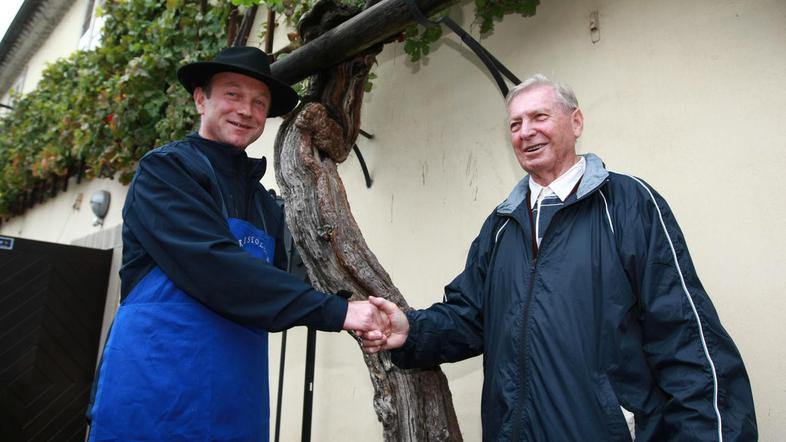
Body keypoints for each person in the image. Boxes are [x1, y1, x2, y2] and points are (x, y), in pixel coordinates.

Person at [363, 75, 757, 441]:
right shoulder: (501, 225)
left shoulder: (627, 204)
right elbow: (469, 316)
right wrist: (411, 331)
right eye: (515, 124)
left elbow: (685, 336)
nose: (525, 132)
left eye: (539, 117)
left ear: (576, 122)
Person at [88, 46, 388, 441]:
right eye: (232, 94)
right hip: (156, 385)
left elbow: (290, 280)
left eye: (259, 102)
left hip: (236, 390)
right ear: (201, 99)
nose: (246, 110)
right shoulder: (166, 171)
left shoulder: (264, 203)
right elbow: (215, 267)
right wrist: (339, 313)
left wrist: (368, 310)